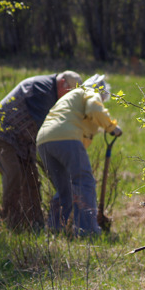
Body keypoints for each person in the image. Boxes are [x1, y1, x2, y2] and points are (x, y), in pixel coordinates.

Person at [0, 70, 82, 231]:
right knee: (14, 174)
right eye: (70, 92)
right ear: (63, 83)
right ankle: (11, 223)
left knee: (31, 181)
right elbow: (45, 131)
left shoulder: (53, 93)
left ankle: (35, 224)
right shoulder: (41, 89)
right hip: (4, 132)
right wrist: (55, 171)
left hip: (23, 140)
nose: (69, 97)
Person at [37, 74, 122, 237]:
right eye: (102, 100)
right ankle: (87, 230)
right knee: (84, 182)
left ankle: (54, 229)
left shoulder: (70, 97)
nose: (101, 102)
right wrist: (112, 127)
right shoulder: (90, 92)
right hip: (66, 137)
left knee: (65, 189)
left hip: (43, 141)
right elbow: (94, 108)